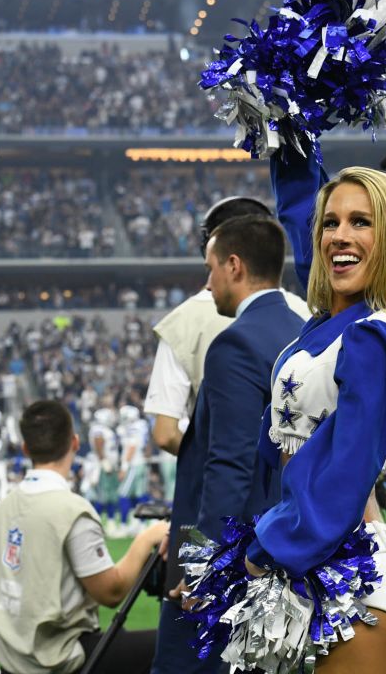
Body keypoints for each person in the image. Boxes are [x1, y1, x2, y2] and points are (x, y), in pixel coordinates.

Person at [188, 149, 386, 674]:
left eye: (361, 222)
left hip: (351, 571)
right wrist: (287, 129)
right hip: (328, 557)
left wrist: (264, 550)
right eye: (332, 223)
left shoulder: (374, 335)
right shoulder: (328, 324)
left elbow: (343, 467)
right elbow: (304, 216)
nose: (338, 235)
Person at [152, 215, 306, 674]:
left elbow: (228, 468)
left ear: (234, 266)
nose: (209, 281)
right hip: (292, 541)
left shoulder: (234, 343)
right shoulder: (305, 330)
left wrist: (203, 565)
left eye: (211, 267)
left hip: (241, 553)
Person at [0, 400, 168, 674]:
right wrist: (146, 539)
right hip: (63, 658)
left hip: (12, 663)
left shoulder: (2, 507)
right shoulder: (72, 510)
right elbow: (111, 592)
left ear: (25, 449)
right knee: (172, 643)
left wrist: (7, 633)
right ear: (74, 442)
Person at [144, 197, 310, 457]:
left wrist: (207, 460)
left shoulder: (182, 322)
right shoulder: (305, 314)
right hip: (294, 483)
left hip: (221, 481)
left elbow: (165, 433)